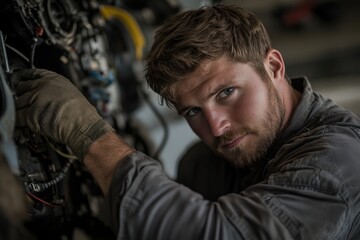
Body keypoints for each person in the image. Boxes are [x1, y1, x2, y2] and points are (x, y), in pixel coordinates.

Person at [13, 4, 360, 239]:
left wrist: (88, 136)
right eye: (192, 112)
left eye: (226, 93)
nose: (217, 127)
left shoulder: (339, 160)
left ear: (273, 67)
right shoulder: (204, 163)